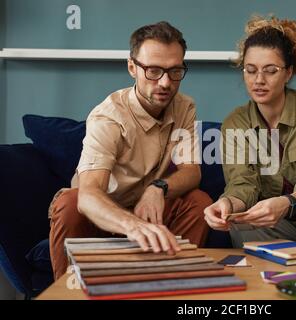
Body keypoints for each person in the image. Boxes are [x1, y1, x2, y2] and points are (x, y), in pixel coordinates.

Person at [49, 21, 212, 280]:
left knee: (198, 202)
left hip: (147, 212)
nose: (165, 83)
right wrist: (133, 227)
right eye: (154, 71)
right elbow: (89, 195)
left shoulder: (184, 107)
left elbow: (192, 171)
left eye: (175, 71)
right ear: (132, 67)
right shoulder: (109, 116)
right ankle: (67, 292)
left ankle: (171, 283)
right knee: (69, 202)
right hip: (100, 215)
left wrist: (158, 188)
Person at [204, 15, 296, 248]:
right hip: (277, 224)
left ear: (288, 72)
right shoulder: (235, 122)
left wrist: (287, 203)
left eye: (270, 71)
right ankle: (278, 277)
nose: (258, 80)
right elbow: (242, 183)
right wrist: (227, 205)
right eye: (250, 70)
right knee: (240, 221)